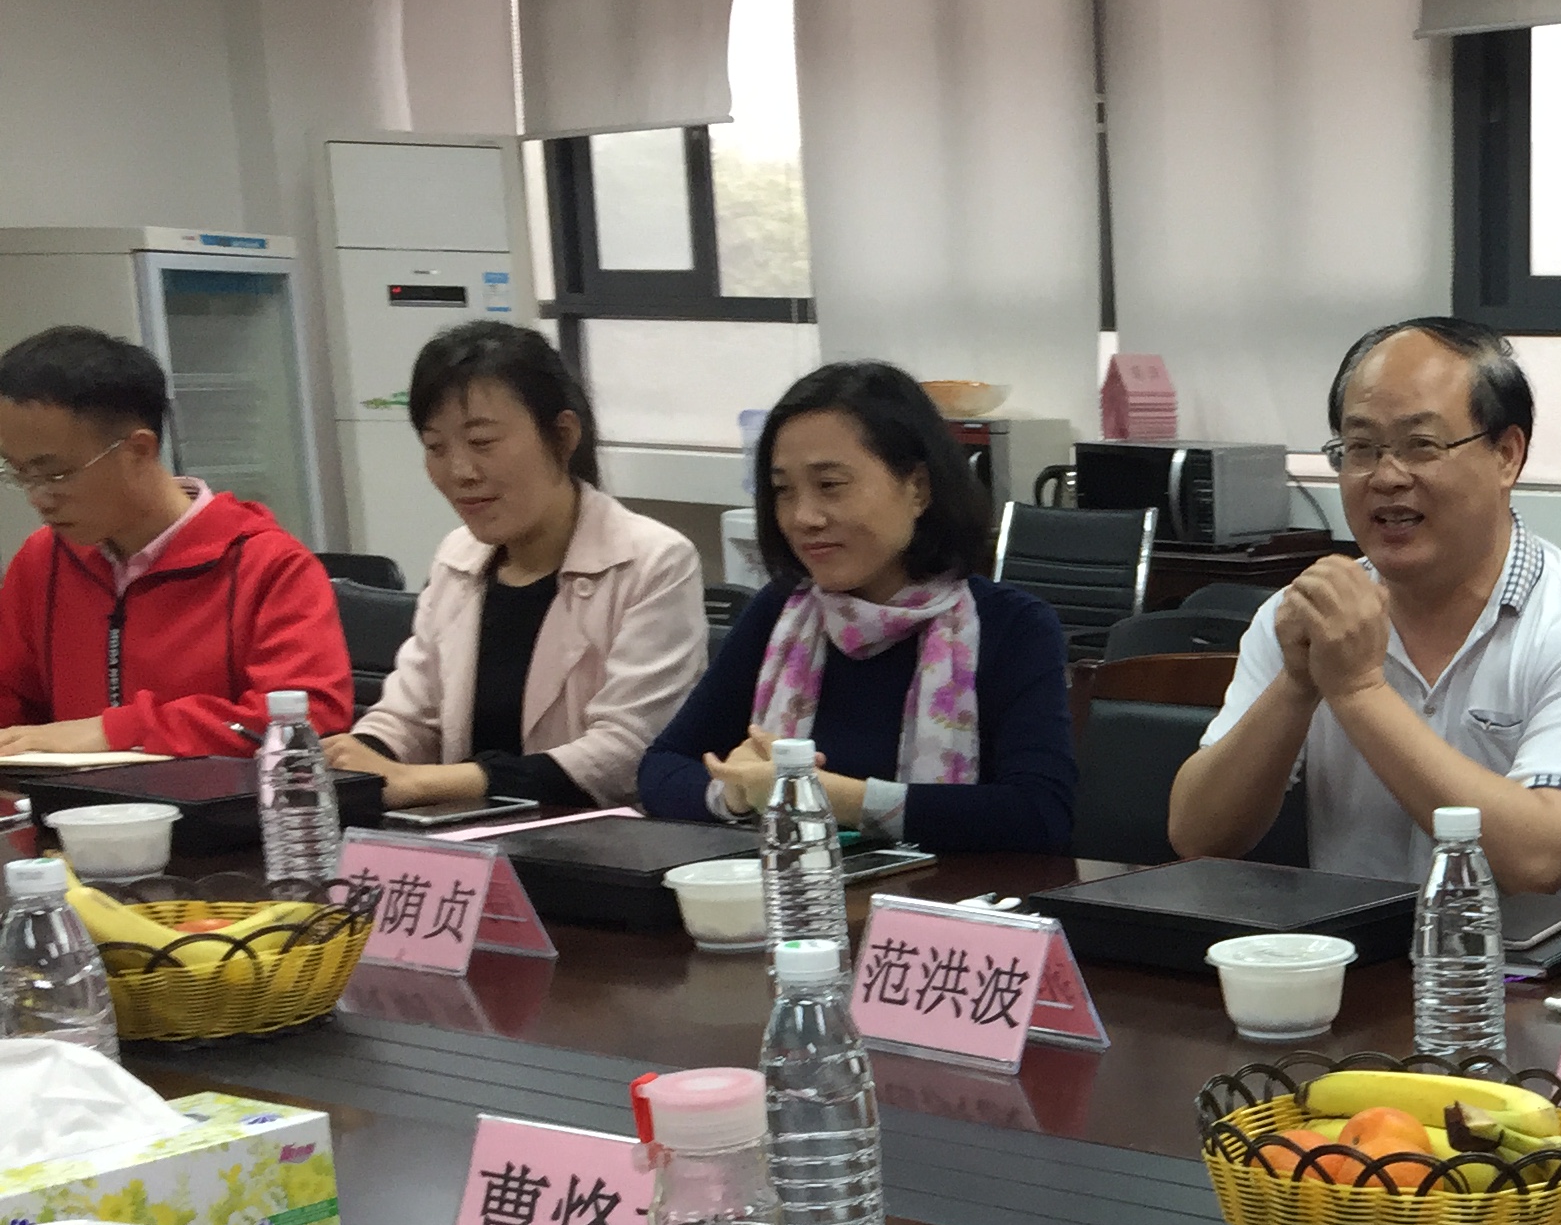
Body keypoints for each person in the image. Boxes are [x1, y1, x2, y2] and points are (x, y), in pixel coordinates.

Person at [1169, 316, 1561, 911]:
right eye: (1361, 449)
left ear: (1506, 455)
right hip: (1363, 957)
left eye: (1421, 445)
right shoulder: (1309, 615)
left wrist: (1358, 690)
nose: (1386, 477)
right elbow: (1199, 836)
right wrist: (1297, 684)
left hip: (1550, 962)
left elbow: (1535, 860)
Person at [639, 361, 1075, 854]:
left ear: (917, 488)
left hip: (942, 900)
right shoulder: (782, 613)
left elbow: (1039, 814)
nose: (803, 517)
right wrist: (735, 792)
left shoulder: (1012, 627)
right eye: (783, 491)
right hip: (798, 892)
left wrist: (829, 797)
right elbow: (661, 768)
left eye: (830, 485)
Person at [327, 323, 704, 810]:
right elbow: (410, 716)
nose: (460, 472)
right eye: (436, 447)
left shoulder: (653, 561)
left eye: (482, 442)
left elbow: (627, 751)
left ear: (562, 436)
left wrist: (430, 783)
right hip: (463, 839)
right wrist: (359, 756)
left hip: (595, 841)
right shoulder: (457, 558)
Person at [0, 325, 348, 756]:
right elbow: (11, 705)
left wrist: (122, 730)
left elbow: (308, 718)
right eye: (19, 473)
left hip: (218, 800)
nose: (37, 497)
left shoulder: (267, 565)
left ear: (138, 451)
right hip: (64, 801)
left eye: (55, 474)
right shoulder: (43, 560)